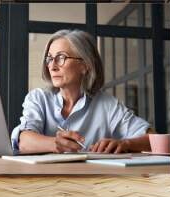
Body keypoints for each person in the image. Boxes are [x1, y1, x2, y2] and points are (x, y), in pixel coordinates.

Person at [11, 29, 152, 155]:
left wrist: (125, 144)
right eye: (49, 59)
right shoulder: (38, 98)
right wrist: (55, 143)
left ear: (85, 65)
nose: (52, 66)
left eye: (61, 58)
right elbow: (23, 142)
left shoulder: (107, 105)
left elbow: (153, 139)